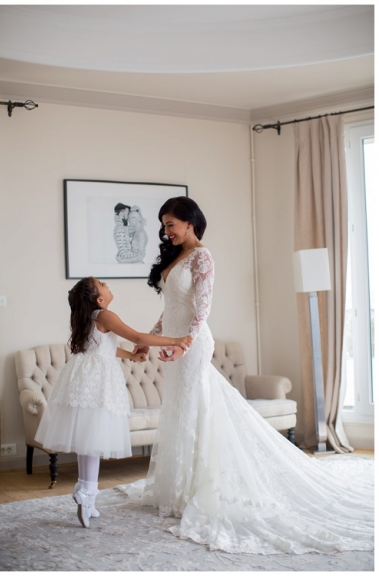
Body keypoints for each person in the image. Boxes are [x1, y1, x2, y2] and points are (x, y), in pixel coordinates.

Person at [119, 196, 374, 554]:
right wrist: (149, 340)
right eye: (163, 225)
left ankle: (202, 487)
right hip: (174, 344)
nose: (166, 231)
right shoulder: (175, 257)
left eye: (171, 224)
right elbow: (172, 308)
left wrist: (183, 345)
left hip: (191, 345)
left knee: (195, 410)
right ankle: (178, 487)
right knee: (178, 411)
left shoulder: (203, 257)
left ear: (190, 223)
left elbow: (201, 309)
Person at [34, 276, 192, 528]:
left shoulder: (89, 317)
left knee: (88, 442)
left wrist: (130, 355)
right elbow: (136, 335)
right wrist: (176, 340)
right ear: (99, 298)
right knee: (92, 441)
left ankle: (88, 495)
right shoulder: (105, 315)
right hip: (96, 381)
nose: (108, 286)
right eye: (103, 284)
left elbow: (102, 347)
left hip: (84, 377)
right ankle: (86, 495)